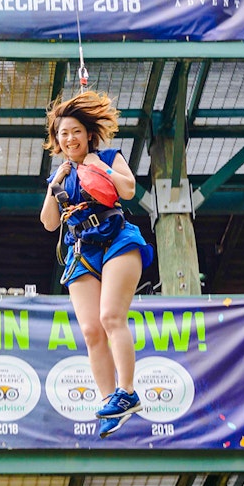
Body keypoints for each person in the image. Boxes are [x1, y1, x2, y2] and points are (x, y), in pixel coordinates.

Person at [40, 90, 155, 439]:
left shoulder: (107, 156)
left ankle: (128, 391)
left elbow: (129, 189)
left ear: (88, 133)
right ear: (56, 141)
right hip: (81, 250)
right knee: (91, 331)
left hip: (117, 239)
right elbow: (48, 222)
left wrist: (98, 166)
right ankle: (110, 402)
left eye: (75, 131)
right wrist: (55, 185)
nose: (69, 138)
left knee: (110, 318)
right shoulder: (58, 176)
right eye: (63, 133)